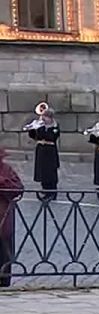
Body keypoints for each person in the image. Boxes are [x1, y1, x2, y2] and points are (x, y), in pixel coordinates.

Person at [26, 107, 60, 201]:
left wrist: (44, 128)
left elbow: (51, 137)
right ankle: (45, 188)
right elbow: (34, 137)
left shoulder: (55, 127)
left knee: (50, 172)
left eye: (46, 117)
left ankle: (52, 192)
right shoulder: (40, 125)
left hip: (50, 151)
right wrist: (32, 129)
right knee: (42, 170)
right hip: (41, 150)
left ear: (50, 118)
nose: (44, 119)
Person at [0, 148, 23, 288]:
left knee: (4, 251)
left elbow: (18, 188)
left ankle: (4, 279)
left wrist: (2, 182)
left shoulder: (6, 170)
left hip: (3, 218)